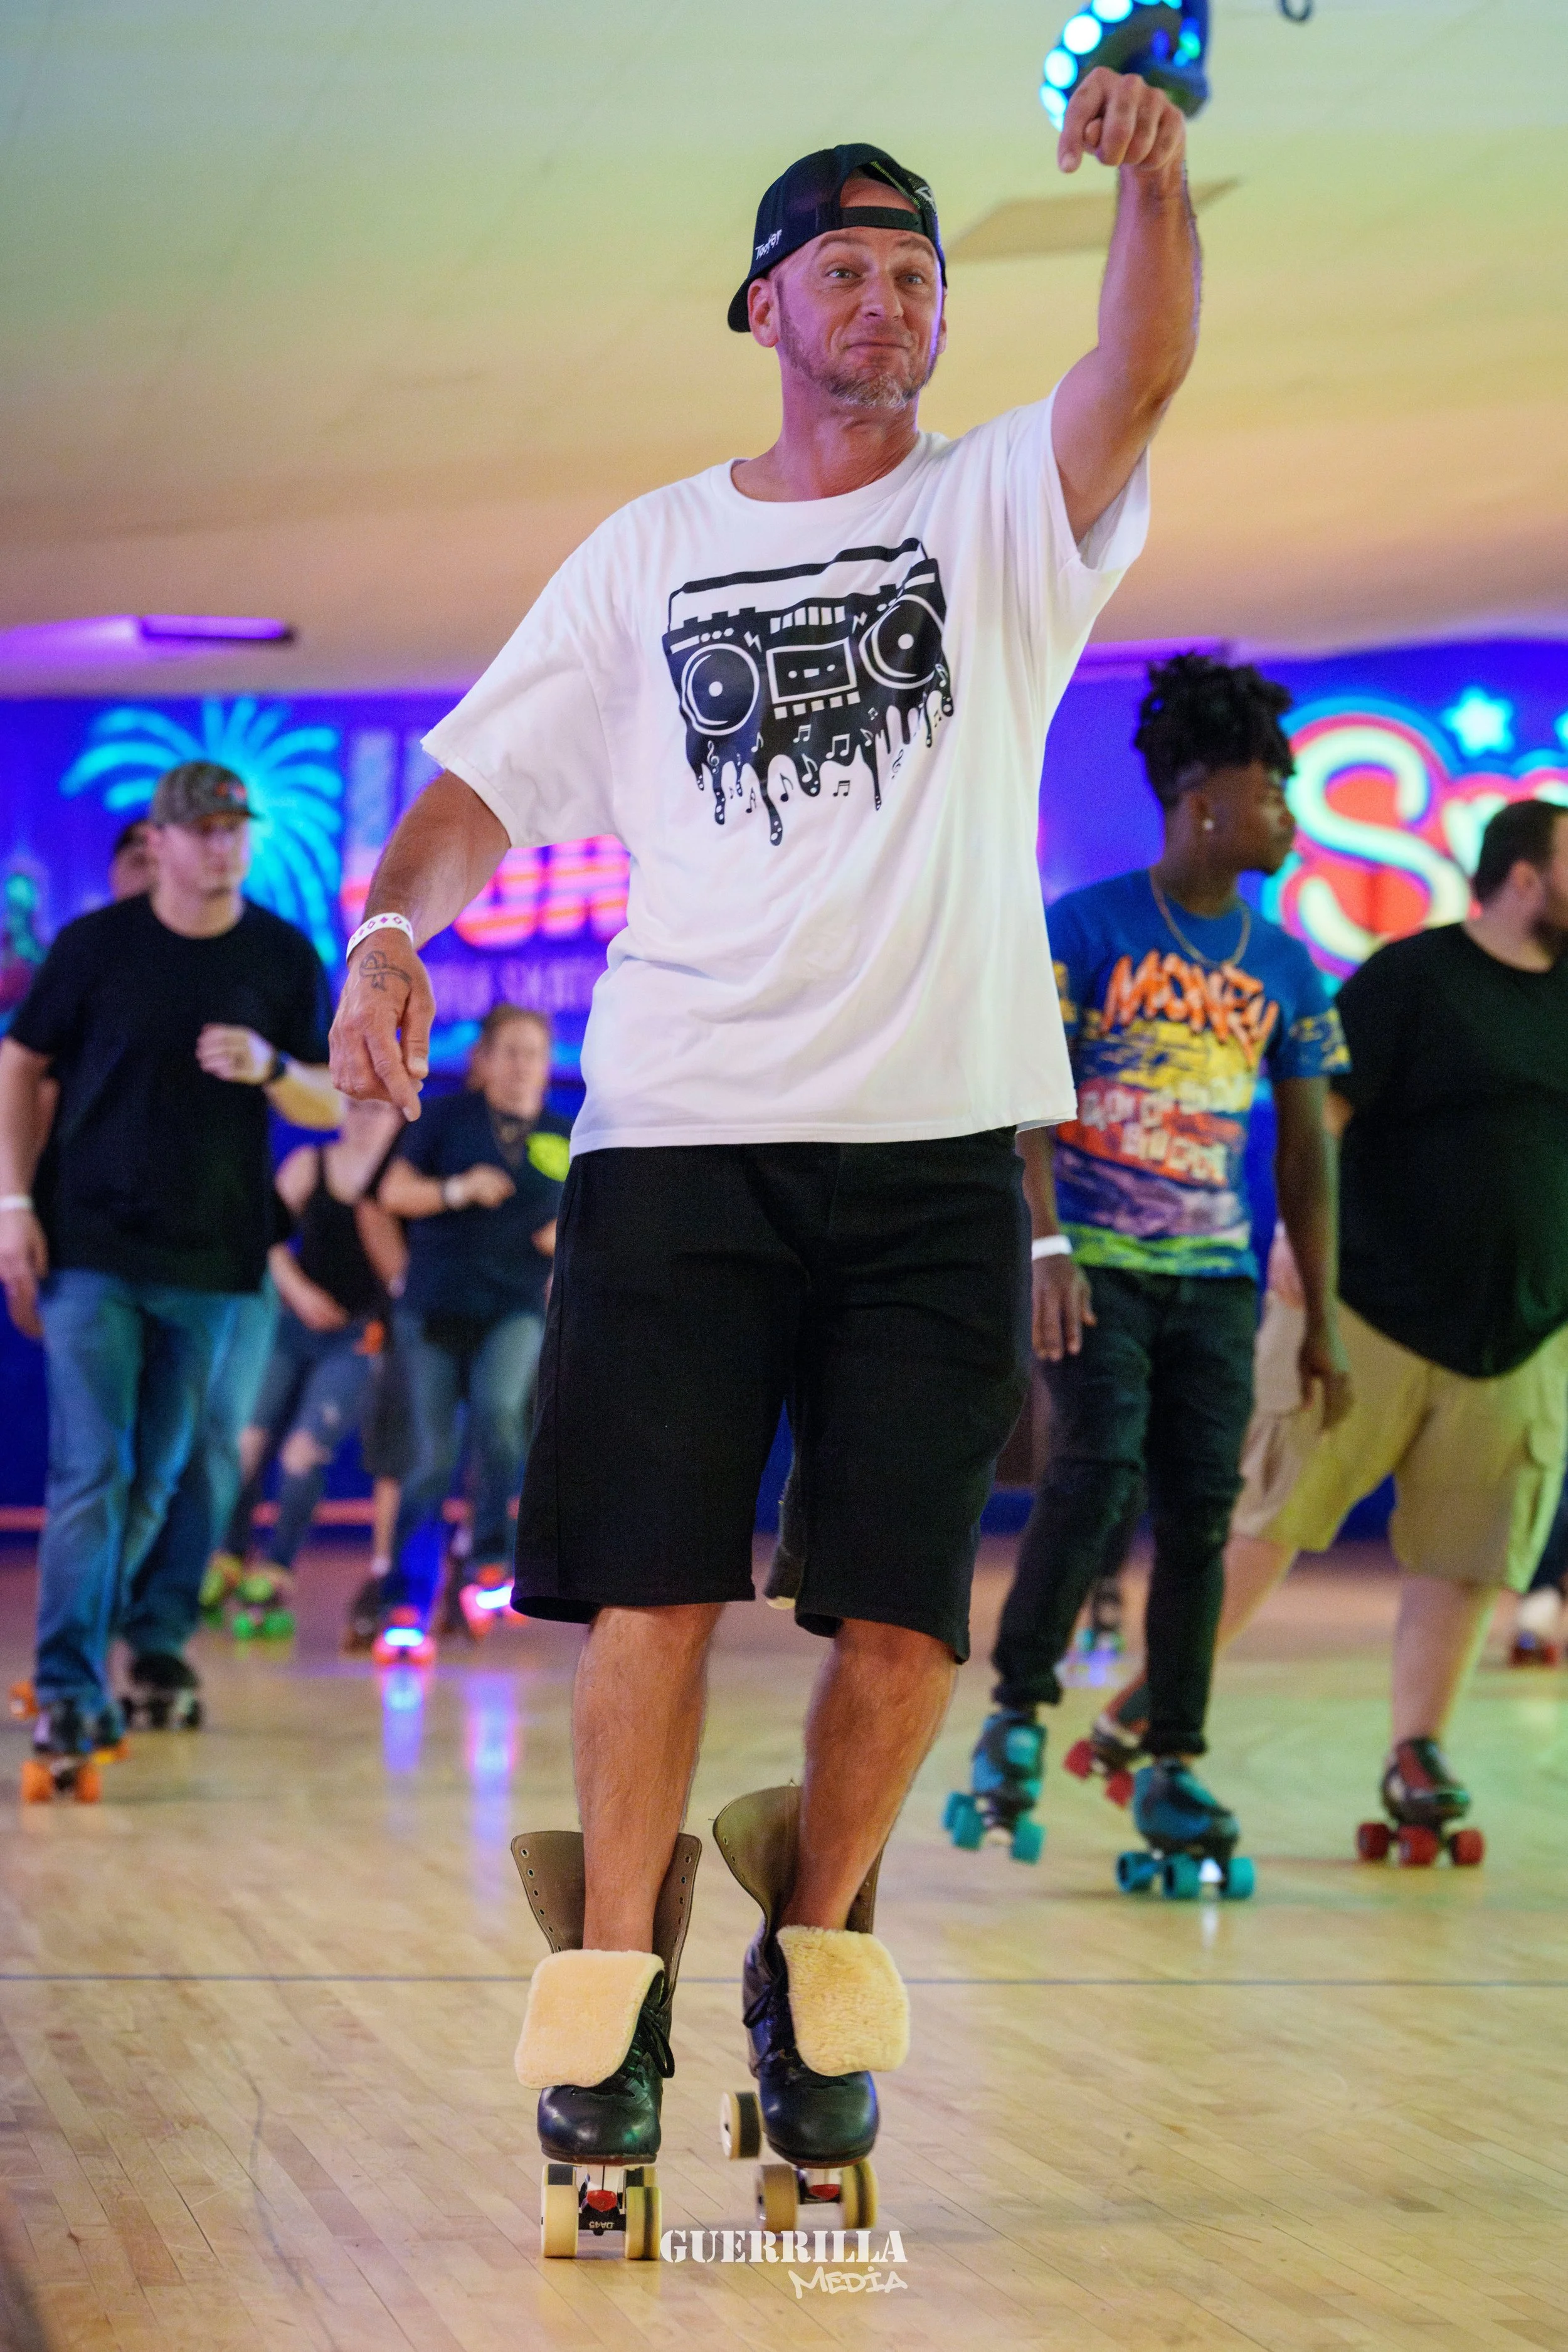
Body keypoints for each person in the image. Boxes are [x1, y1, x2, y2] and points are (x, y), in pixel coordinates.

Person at [330, 70, 1196, 2227]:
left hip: (929, 1162)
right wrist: (384, 930)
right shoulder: (652, 551)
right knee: (653, 1596)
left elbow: (1142, 362)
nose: (892, 301)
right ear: (765, 305)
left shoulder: (1002, 516)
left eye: (917, 274)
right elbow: (472, 792)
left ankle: (816, 1975)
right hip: (682, 1141)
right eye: (850, 270)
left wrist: (1159, 179)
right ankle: (614, 1997)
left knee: (901, 1619)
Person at [946, 655, 1350, 1873]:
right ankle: (1017, 1712)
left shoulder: (1282, 966)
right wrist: (1046, 1241)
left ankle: (1169, 1760)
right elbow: (1023, 1095)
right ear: (1203, 801)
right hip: (1099, 1262)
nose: (1289, 813)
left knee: (1200, 1517)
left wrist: (1320, 1317)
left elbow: (1308, 1162)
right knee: (1096, 1466)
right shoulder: (1087, 926)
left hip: (1216, 1280)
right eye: (1272, 791)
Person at [1162, 795, 1568, 1855]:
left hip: (1521, 1332)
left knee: (1469, 1550)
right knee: (1271, 1517)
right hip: (1368, 1312)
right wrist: (1302, 1229)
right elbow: (1322, 1110)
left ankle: (1417, 1751)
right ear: (1526, 875)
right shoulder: (1414, 978)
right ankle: (1160, 1716)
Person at [0, 761, 336, 1784]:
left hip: (212, 1258)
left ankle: (122, 1651)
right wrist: (13, 1206)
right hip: (92, 1249)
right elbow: (19, 1064)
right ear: (160, 841)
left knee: (156, 1478)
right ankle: (66, 1687)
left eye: (236, 829)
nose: (220, 846)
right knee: (92, 1469)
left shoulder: (281, 956)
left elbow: (331, 1103)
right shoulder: (96, 948)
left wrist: (274, 1069)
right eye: (201, 830)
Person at [367, 1005, 566, 1661]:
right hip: (434, 1307)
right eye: (508, 1051)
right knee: (428, 1460)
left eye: (533, 1053)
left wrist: (563, 1240)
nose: (520, 1066)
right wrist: (455, 1190)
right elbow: (392, 1193)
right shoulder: (445, 1119)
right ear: (483, 1059)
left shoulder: (565, 1133)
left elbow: (598, 1222)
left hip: (514, 1306)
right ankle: (405, 1599)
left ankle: (489, 1557)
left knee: (503, 1415)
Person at [206, 1097, 405, 1634]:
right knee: (246, 1443)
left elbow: (407, 1272)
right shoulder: (309, 1167)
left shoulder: (403, 1181)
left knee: (303, 1452)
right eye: (358, 1110)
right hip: (293, 1325)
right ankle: (227, 1553)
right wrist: (298, 1292)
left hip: (358, 1335)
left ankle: (276, 1569)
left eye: (380, 1112)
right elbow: (263, 1236)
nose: (367, 1121)